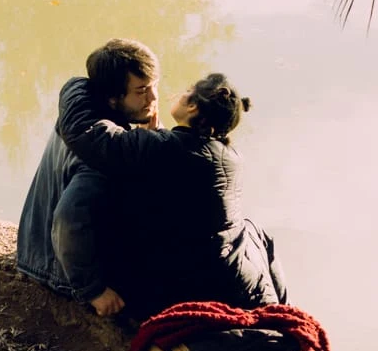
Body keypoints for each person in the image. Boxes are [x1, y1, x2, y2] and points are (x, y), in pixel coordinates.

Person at [56, 71, 288, 319]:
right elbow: (182, 167)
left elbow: (90, 135)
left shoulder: (165, 149)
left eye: (187, 91)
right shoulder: (230, 157)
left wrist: (76, 85)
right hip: (235, 274)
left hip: (188, 284)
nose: (177, 93)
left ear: (192, 107)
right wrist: (156, 136)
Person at [15, 38, 158, 315]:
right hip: (58, 270)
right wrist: (93, 290)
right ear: (113, 98)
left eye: (154, 86)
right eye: (141, 90)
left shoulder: (84, 117)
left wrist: (144, 136)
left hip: (36, 248)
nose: (153, 98)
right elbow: (69, 219)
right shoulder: (105, 154)